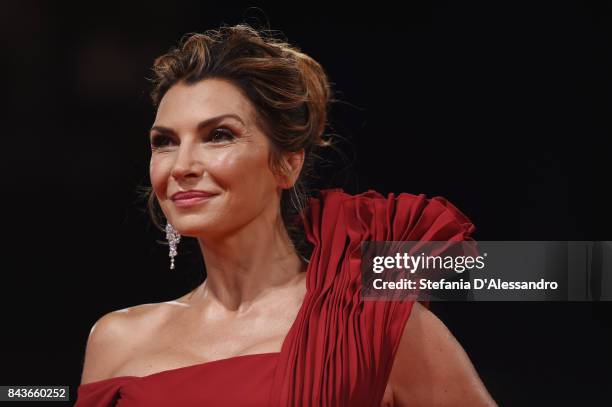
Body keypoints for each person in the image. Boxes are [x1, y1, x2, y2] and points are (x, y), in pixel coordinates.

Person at [74, 23, 497, 406]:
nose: (181, 165)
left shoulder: (376, 322)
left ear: (287, 164)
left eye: (218, 136)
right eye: (164, 142)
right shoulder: (116, 341)